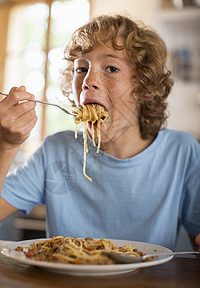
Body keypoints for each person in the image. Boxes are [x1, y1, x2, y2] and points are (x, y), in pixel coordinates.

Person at [0, 15, 200, 251]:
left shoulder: (181, 151)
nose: (88, 81)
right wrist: (6, 144)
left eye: (112, 68)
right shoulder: (55, 151)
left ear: (147, 89)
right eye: (81, 68)